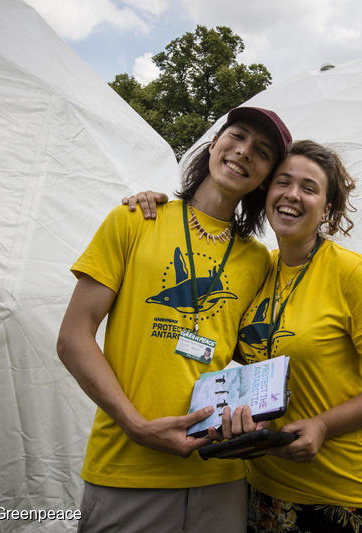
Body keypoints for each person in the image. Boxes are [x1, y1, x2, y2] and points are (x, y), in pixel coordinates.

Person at [127, 140, 362, 533]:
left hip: (341, 493)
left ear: (328, 210)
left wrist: (322, 425)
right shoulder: (259, 269)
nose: (292, 195)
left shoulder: (353, 274)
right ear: (267, 194)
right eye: (283, 182)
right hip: (262, 490)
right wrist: (155, 209)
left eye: (309, 188)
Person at [56, 106, 292, 533]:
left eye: (261, 152)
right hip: (127, 467)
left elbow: (253, 355)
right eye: (236, 137)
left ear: (266, 177)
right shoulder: (134, 220)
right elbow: (73, 337)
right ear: (214, 144)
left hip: (220, 472)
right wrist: (137, 426)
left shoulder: (259, 259)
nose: (243, 152)